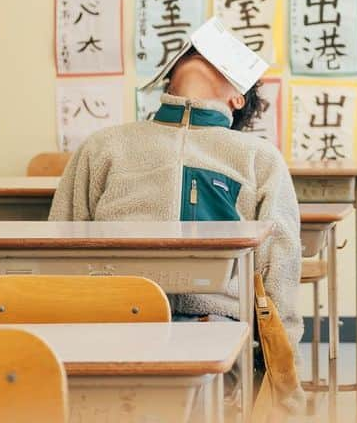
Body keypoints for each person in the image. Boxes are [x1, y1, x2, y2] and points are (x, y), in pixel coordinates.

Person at [48, 21, 303, 348]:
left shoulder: (259, 158)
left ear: (238, 99)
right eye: (194, 51)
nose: (201, 55)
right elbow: (60, 241)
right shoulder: (104, 146)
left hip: (214, 326)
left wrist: (283, 370)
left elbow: (280, 267)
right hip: (114, 318)